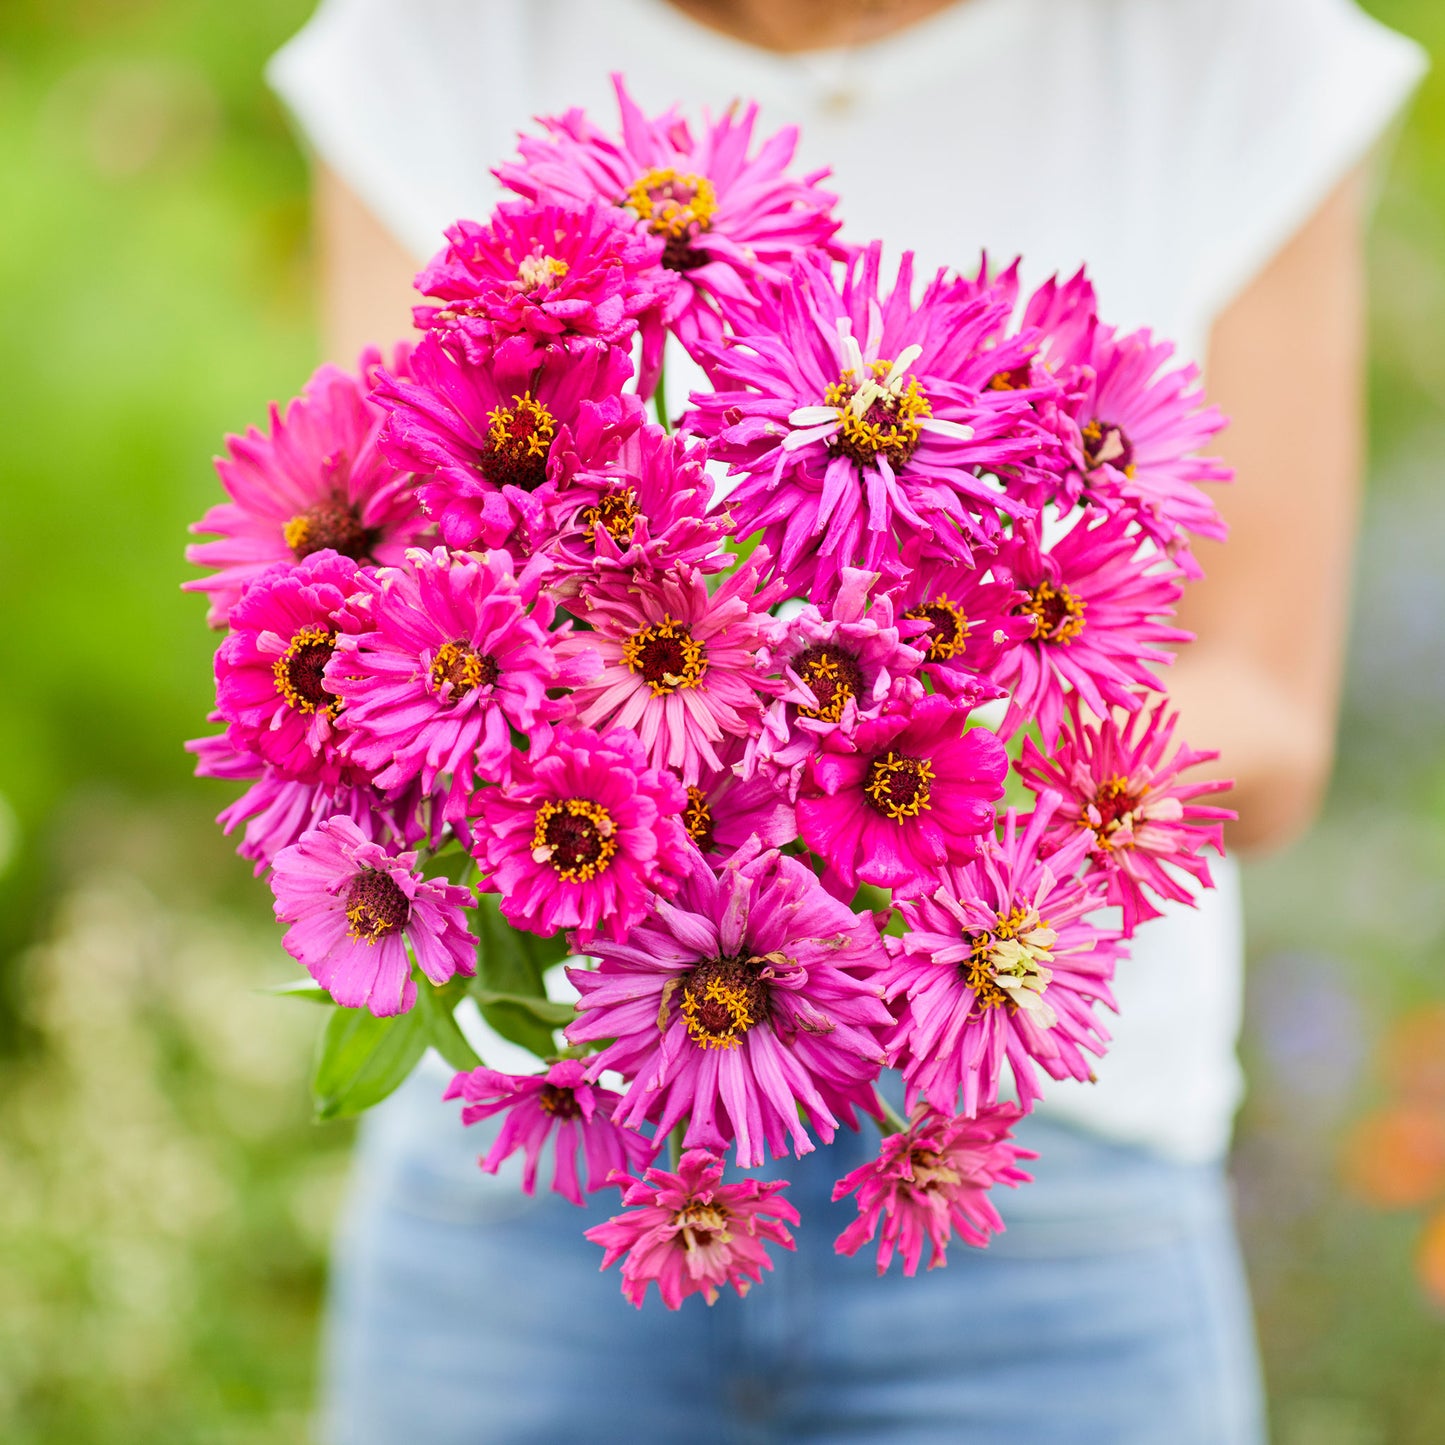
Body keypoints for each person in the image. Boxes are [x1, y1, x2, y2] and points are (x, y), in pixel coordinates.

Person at [266, 1, 1426, 1439]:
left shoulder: (1235, 48)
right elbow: (413, 561)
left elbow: (1259, 715)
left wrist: (902, 769)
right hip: (542, 1158)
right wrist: (709, 763)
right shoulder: (442, 35)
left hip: (1028, 1172)